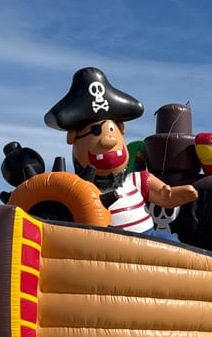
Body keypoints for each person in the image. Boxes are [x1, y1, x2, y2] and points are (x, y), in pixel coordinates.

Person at [44, 68, 198, 234]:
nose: (108, 141)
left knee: (173, 244)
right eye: (96, 132)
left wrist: (174, 195)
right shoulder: (79, 190)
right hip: (107, 246)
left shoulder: (136, 180)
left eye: (111, 130)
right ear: (72, 138)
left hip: (149, 239)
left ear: (121, 129)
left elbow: (163, 195)